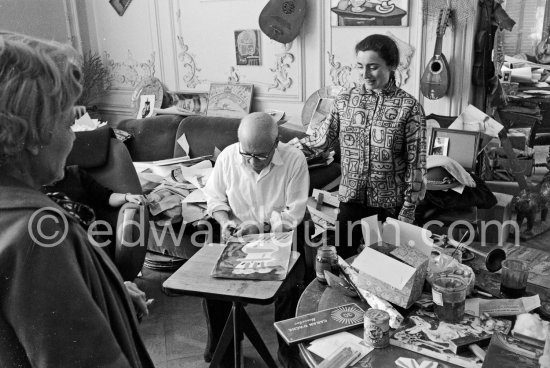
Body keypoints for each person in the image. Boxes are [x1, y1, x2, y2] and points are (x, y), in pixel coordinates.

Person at [0, 31, 154, 367]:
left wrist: (104, 292)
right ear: (31, 132)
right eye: (69, 123)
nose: (73, 140)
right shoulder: (37, 232)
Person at [296, 34, 426, 259]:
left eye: (373, 67)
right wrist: (285, 150)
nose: (365, 74)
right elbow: (322, 140)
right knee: (343, 265)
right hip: (351, 202)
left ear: (392, 66)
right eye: (360, 66)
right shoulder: (345, 101)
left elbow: (417, 166)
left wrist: (407, 211)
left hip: (389, 207)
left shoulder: (409, 107)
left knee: (381, 273)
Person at [203, 112, 310, 368]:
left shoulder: (295, 160)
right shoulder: (229, 156)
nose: (253, 163)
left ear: (276, 143)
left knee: (290, 288)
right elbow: (214, 199)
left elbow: (293, 214)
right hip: (238, 240)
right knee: (214, 289)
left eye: (261, 155)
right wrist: (224, 220)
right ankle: (224, 346)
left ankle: (288, 351)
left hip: (279, 240)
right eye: (247, 154)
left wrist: (260, 227)